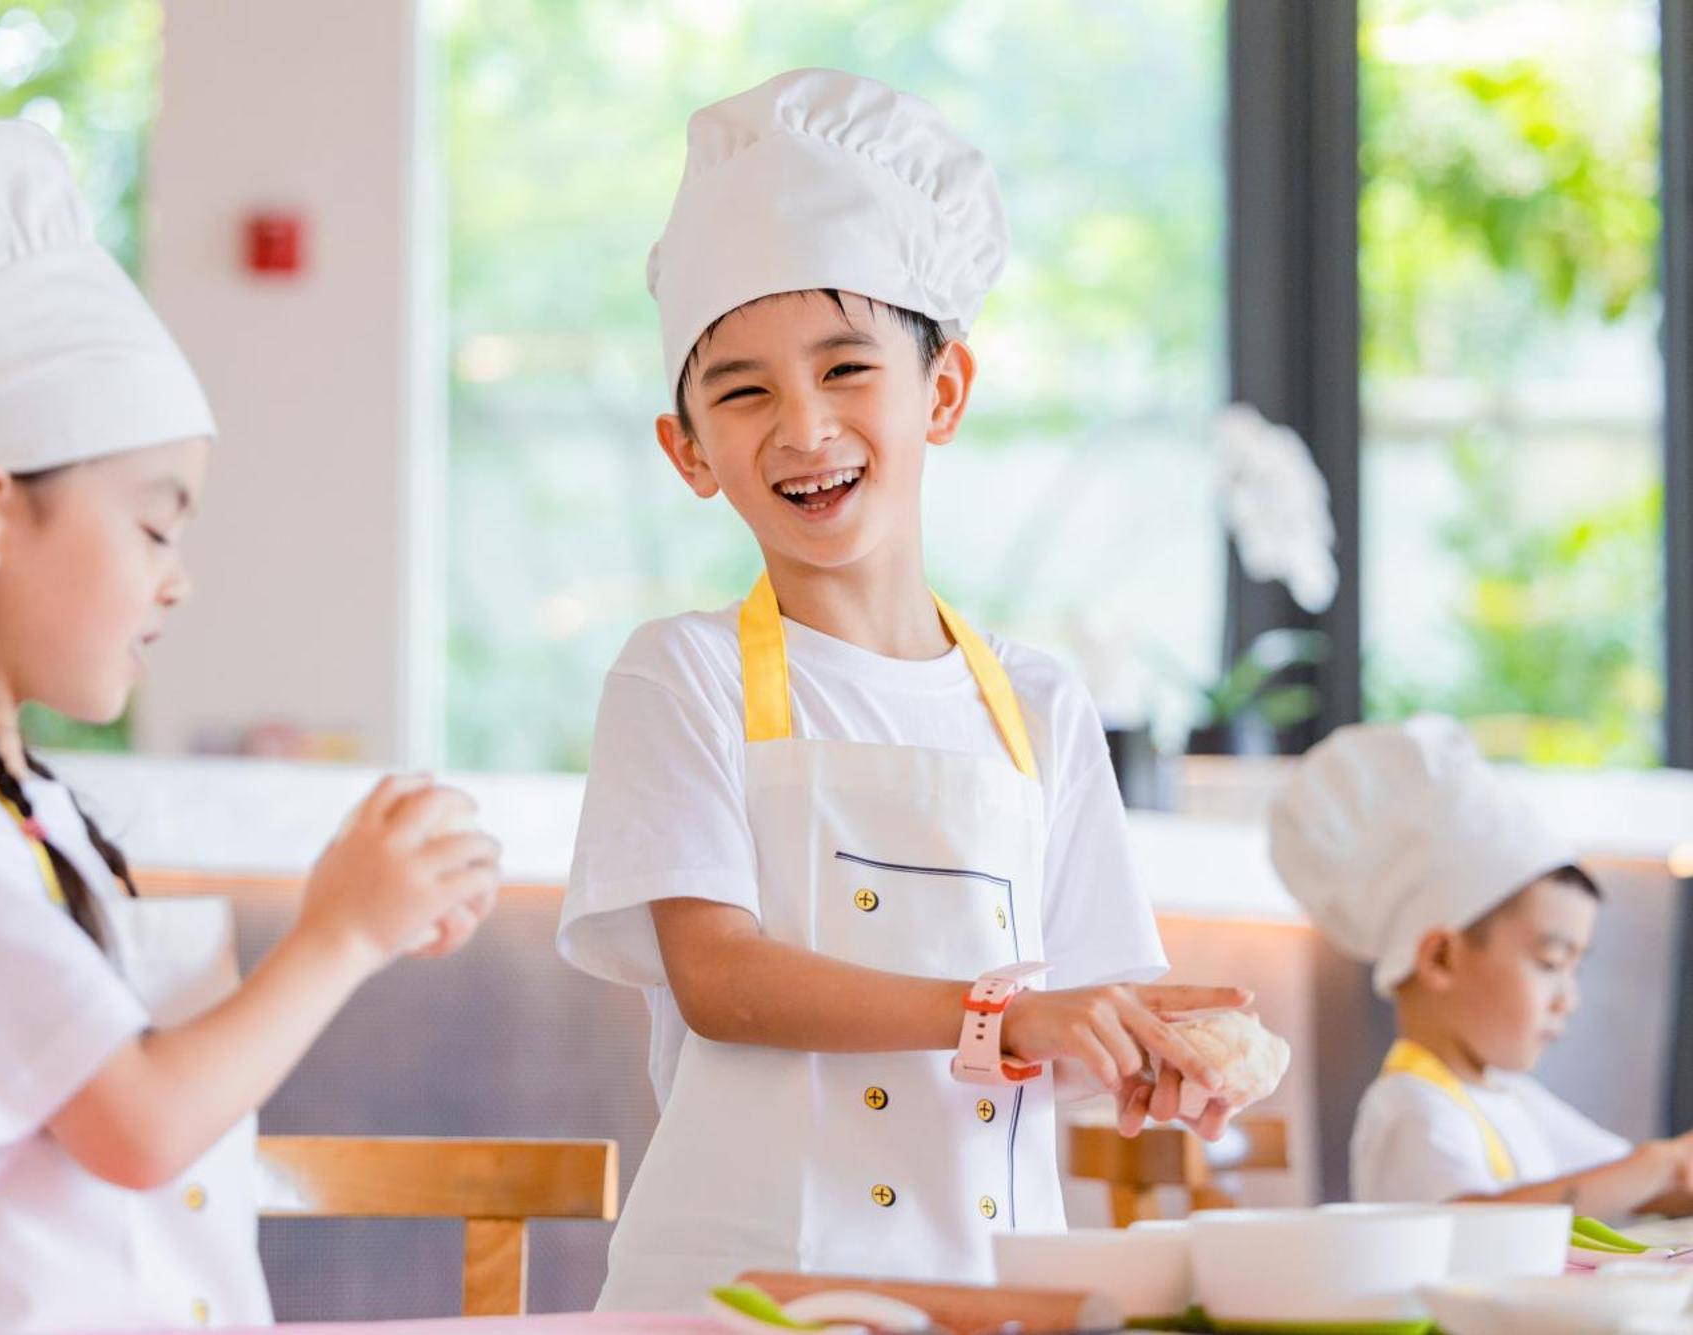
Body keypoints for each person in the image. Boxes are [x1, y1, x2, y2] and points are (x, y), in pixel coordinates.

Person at [0, 121, 502, 1332]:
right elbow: (135, 1124)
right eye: (154, 525)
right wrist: (338, 933)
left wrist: (371, 906)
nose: (178, 580)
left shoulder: (4, 800)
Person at [557, 69, 1253, 1312]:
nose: (802, 425)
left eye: (844, 369)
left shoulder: (1038, 703)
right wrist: (1008, 1015)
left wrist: (1162, 1055)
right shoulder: (682, 674)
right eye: (742, 390)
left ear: (941, 393)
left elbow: (1084, 1012)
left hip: (986, 1292)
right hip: (735, 1295)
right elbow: (721, 982)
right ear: (687, 452)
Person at [1270, 714, 1693, 1216]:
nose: (1568, 998)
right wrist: (1656, 1165)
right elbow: (1467, 1224)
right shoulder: (1410, 1106)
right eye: (1550, 962)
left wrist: (1668, 1169)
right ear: (1441, 958)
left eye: (1575, 969)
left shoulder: (1511, 1098)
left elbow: (1646, 1185)